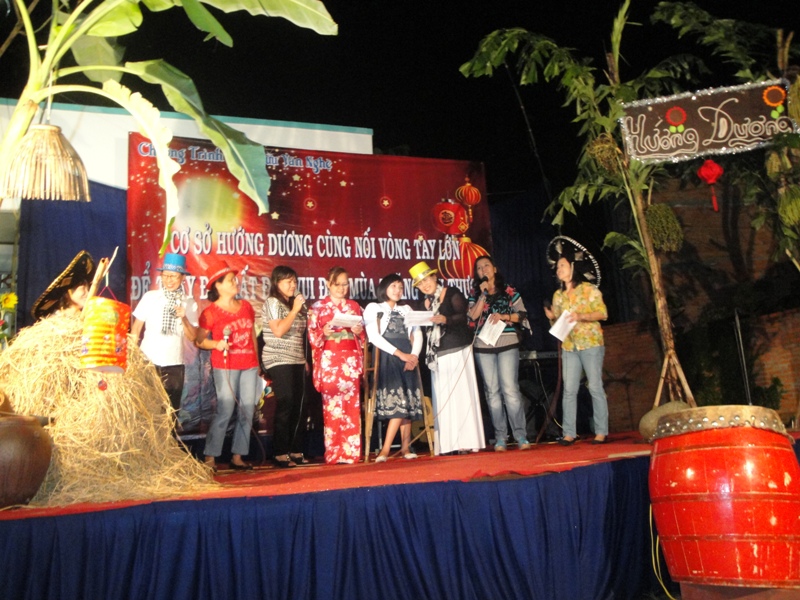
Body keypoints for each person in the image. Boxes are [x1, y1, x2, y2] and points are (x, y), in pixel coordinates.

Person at [409, 261, 485, 455]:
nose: (425, 285)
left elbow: (464, 316)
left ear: (435, 277)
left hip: (458, 348)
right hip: (438, 355)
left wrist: (446, 319)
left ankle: (468, 441)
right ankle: (449, 443)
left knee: (462, 395)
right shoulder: (424, 304)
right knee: (443, 397)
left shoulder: (451, 293)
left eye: (427, 280)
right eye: (420, 283)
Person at [544, 236, 609, 445]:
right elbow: (558, 324)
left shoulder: (588, 289)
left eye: (562, 266)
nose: (558, 270)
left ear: (573, 267)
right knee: (569, 389)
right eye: (557, 267)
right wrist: (551, 317)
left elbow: (603, 313)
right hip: (569, 346)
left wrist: (581, 316)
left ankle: (601, 431)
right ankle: (569, 433)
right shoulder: (558, 295)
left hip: (590, 343)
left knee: (595, 386)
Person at [195, 259, 260, 471]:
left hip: (249, 365)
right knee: (225, 409)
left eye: (235, 279)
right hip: (225, 366)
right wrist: (217, 344)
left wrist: (257, 363)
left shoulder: (246, 307)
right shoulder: (210, 312)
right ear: (218, 285)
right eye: (230, 280)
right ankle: (210, 457)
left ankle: (238, 456)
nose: (235, 283)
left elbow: (252, 334)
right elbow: (199, 341)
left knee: (247, 410)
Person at [467, 255, 532, 452]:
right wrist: (482, 295)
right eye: (479, 268)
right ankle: (500, 437)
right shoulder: (475, 293)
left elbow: (522, 314)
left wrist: (504, 316)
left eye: (486, 266)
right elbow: (472, 316)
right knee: (492, 392)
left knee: (510, 389)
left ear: (494, 269)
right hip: (483, 345)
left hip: (507, 343)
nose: (483, 270)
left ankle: (520, 435)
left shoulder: (509, 291)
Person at [307, 266, 366, 465]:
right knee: (332, 407)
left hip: (350, 358)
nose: (341, 288)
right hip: (330, 359)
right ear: (328, 284)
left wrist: (358, 331)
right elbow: (312, 336)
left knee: (352, 405)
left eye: (345, 284)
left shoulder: (354, 306)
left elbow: (364, 335)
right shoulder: (318, 308)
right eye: (337, 284)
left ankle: (351, 452)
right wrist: (323, 331)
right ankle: (333, 452)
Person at [363, 273, 423, 463]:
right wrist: (400, 354)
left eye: (400, 287)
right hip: (388, 357)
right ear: (384, 288)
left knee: (407, 402)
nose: (397, 290)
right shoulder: (374, 308)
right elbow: (374, 337)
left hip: (408, 357)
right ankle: (385, 450)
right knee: (399, 402)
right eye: (393, 286)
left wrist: (414, 356)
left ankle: (405, 448)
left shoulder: (406, 309)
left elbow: (417, 333)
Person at [131, 253, 199, 413]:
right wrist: (132, 357)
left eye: (173, 276)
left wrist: (184, 318)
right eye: (165, 275)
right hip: (147, 362)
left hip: (174, 364)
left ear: (183, 277)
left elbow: (193, 337)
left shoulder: (189, 303)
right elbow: (136, 329)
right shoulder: (150, 297)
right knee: (147, 411)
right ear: (160, 276)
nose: (169, 280)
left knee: (170, 413)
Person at [261, 265, 310, 468]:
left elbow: (300, 334)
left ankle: (296, 449)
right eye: (288, 282)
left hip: (297, 358)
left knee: (300, 404)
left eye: (294, 281)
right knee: (286, 401)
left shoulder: (295, 304)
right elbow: (279, 330)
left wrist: (305, 360)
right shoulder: (272, 302)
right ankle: (280, 452)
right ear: (277, 283)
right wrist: (295, 310)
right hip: (278, 358)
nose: (293, 285)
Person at [31, 250, 99, 320]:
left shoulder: (89, 320)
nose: (88, 293)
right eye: (82, 286)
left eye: (87, 288)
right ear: (67, 293)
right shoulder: (55, 322)